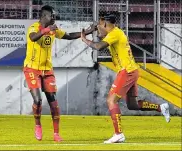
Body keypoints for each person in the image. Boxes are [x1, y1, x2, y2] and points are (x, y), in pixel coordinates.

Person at [81, 14, 170, 143]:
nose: (98, 28)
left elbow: (98, 46)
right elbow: (101, 36)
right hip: (132, 70)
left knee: (111, 100)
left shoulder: (114, 34)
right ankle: (161, 108)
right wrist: (94, 30)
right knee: (132, 105)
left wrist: (84, 39)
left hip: (127, 71)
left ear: (105, 24)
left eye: (99, 25)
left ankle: (118, 134)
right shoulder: (116, 32)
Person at [23, 5, 95, 142]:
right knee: (37, 100)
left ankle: (56, 134)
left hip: (47, 70)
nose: (54, 18)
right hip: (32, 69)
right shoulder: (34, 28)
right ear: (44, 16)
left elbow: (68, 36)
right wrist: (46, 30)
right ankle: (38, 125)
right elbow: (33, 38)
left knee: (54, 103)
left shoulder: (53, 30)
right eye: (52, 16)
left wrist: (87, 32)